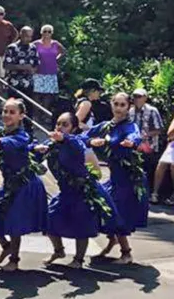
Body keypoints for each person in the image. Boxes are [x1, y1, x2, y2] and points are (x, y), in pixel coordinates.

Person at [34, 112, 120, 269]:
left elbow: (81, 144)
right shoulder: (51, 144)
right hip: (66, 191)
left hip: (83, 191)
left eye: (65, 125)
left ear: (73, 128)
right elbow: (36, 157)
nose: (59, 127)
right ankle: (59, 251)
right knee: (49, 220)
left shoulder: (75, 140)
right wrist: (34, 153)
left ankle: (79, 260)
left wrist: (69, 139)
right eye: (58, 124)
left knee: (82, 225)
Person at [0, 98, 47, 272]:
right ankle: (6, 246)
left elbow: (13, 144)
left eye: (12, 112)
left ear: (21, 116)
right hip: (8, 184)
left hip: (25, 184)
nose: (7, 115)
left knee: (15, 222)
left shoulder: (22, 135)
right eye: (5, 111)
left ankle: (14, 259)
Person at [86, 93, 147, 265]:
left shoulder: (130, 126)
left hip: (127, 179)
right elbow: (84, 136)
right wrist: (90, 141)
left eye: (122, 105)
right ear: (112, 105)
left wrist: (131, 142)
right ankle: (112, 241)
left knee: (117, 213)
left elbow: (135, 135)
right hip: (114, 178)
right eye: (116, 104)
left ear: (128, 107)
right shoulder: (106, 126)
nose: (119, 108)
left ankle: (126, 253)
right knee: (105, 209)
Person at [130, 88, 164, 185]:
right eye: (135, 96)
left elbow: (160, 129)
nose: (136, 99)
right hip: (134, 146)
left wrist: (146, 135)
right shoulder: (130, 111)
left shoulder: (152, 111)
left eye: (139, 96)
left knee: (147, 173)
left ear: (145, 98)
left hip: (149, 147)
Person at [2, 26, 38, 103]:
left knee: (28, 109)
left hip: (29, 84)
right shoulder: (11, 48)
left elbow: (36, 64)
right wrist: (22, 67)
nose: (29, 39)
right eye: (26, 36)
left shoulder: (33, 47)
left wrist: (33, 70)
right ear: (21, 35)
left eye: (30, 37)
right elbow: (6, 65)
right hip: (14, 83)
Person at [74, 78, 105, 168]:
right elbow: (75, 121)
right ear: (92, 91)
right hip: (82, 140)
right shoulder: (86, 103)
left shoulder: (82, 101)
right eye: (98, 91)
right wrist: (90, 128)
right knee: (94, 171)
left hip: (83, 140)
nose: (100, 94)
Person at [33, 25, 65, 110]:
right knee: (37, 94)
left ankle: (44, 112)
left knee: (48, 95)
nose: (47, 33)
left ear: (52, 33)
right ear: (41, 32)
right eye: (45, 31)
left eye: (49, 31)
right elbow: (30, 53)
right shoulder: (36, 43)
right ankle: (36, 114)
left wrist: (56, 59)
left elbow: (63, 52)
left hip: (51, 71)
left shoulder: (55, 43)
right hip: (38, 71)